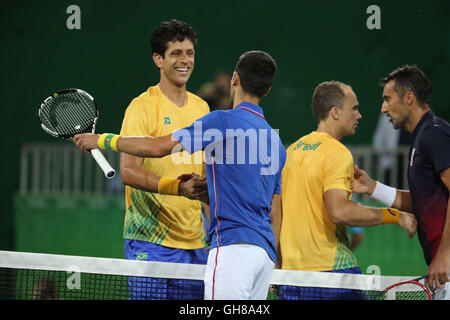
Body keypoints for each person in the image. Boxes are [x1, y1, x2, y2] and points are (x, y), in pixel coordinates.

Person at [74, 50, 286, 300]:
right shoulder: (276, 142)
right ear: (268, 90)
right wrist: (276, 262)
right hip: (264, 256)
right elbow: (275, 210)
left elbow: (158, 147)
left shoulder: (221, 121)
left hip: (233, 250)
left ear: (235, 79)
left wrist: (102, 140)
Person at [278, 81, 417, 300]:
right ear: (335, 113)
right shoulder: (337, 153)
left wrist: (279, 269)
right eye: (354, 108)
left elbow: (278, 215)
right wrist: (393, 215)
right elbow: (339, 212)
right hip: (332, 275)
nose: (359, 115)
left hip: (292, 276)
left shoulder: (292, 151)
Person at [117, 19, 210, 299]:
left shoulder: (202, 107)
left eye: (189, 53)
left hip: (195, 243)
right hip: (150, 241)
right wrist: (177, 187)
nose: (185, 60)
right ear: (158, 59)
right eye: (176, 53)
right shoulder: (142, 107)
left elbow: (204, 173)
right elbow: (128, 172)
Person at [353, 65, 450, 299]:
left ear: (409, 98)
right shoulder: (422, 137)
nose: (383, 108)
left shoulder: (434, 134)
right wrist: (372, 187)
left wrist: (445, 254)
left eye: (387, 99)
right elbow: (422, 201)